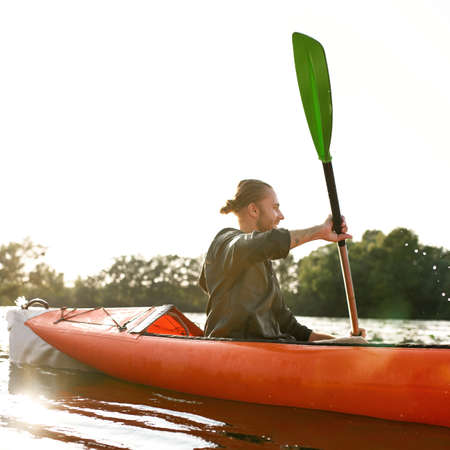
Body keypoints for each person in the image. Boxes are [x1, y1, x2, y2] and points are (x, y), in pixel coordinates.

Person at [199, 179, 366, 342]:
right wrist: (320, 232)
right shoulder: (226, 242)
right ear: (253, 210)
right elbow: (267, 243)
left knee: (358, 345)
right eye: (275, 207)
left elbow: (292, 328)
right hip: (238, 352)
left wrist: (345, 342)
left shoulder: (262, 265)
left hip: (276, 349)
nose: (281, 216)